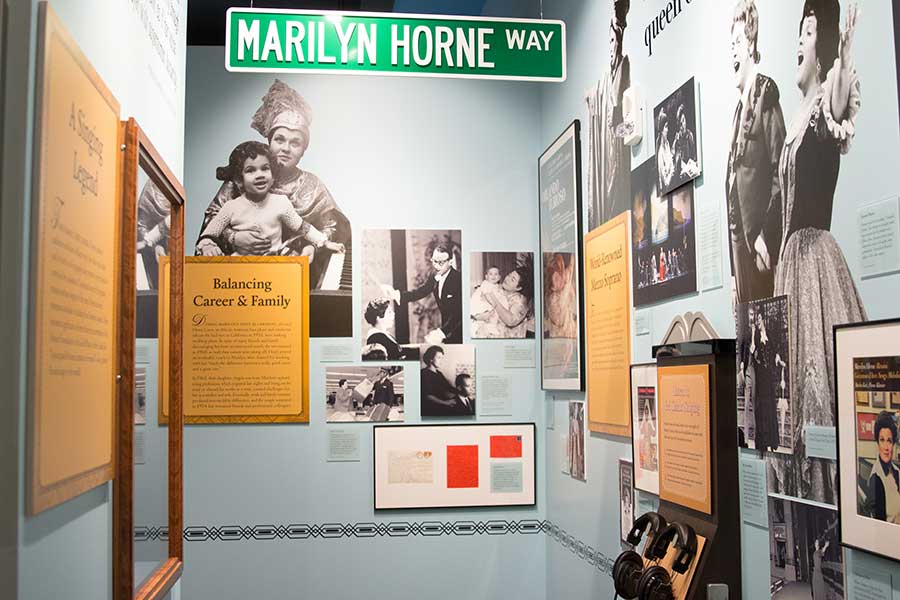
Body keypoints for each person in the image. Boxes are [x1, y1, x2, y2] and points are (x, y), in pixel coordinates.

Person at [769, 0, 864, 504]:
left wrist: (845, 54)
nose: (798, 42)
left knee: (818, 384)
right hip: (789, 268)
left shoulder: (826, 103)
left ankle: (833, 507)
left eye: (807, 32)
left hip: (816, 264)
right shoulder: (793, 121)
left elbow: (840, 102)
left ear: (821, 48)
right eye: (799, 32)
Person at [197, 81, 350, 275]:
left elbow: (333, 227)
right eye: (280, 139)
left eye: (295, 143)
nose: (286, 148)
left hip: (294, 273)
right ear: (269, 141)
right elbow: (212, 221)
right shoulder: (239, 181)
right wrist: (234, 237)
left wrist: (313, 247)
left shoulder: (313, 186)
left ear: (304, 150)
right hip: (239, 275)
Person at [727, 0, 786, 305]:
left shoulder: (766, 94)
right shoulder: (738, 112)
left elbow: (782, 170)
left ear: (751, 44)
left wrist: (767, 234)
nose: (732, 52)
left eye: (737, 42)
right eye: (731, 44)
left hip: (759, 248)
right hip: (740, 251)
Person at [196, 142, 345, 257]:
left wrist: (324, 242)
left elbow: (302, 228)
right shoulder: (231, 207)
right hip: (242, 265)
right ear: (239, 180)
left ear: (273, 176)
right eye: (250, 170)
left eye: (265, 168)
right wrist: (207, 245)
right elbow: (209, 233)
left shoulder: (281, 202)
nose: (260, 174)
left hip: (275, 262)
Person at [586, 0, 631, 228]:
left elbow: (618, 120)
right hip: (608, 161)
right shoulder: (604, 83)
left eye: (614, 41)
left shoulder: (624, 68)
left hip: (618, 159)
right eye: (609, 41)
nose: (611, 48)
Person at [382, 244, 462, 344]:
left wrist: (442, 332)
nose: (436, 266)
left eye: (441, 262)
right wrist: (396, 294)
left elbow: (459, 313)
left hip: (460, 331)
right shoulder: (434, 275)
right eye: (434, 261)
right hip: (448, 332)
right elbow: (421, 292)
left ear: (450, 262)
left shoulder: (459, 280)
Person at [477, 266, 533, 339]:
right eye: (509, 275)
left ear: (518, 288)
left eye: (512, 279)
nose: (507, 279)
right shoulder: (497, 288)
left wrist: (494, 301)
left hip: (509, 345)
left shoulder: (521, 302)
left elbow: (510, 321)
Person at [866, 411, 900, 522]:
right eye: (882, 440)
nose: (886, 447)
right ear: (877, 443)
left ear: (893, 444)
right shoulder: (876, 478)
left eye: (889, 441)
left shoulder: (896, 471)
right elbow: (879, 527)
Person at [420, 346, 460, 416]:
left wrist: (461, 391)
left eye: (442, 358)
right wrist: (446, 403)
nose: (441, 360)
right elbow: (428, 396)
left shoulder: (439, 374)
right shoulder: (423, 373)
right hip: (430, 410)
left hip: (441, 406)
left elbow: (449, 388)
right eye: (439, 358)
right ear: (431, 359)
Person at [470, 266, 503, 338]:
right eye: (490, 274)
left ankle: (488, 330)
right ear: (486, 276)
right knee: (481, 322)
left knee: (491, 323)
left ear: (499, 277)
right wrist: (493, 304)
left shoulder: (498, 287)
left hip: (490, 307)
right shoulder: (486, 284)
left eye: (496, 274)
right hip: (484, 303)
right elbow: (487, 295)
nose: (493, 276)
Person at [673, 104, 698, 179]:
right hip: (681, 174)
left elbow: (694, 156)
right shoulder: (677, 139)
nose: (682, 125)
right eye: (680, 124)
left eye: (683, 121)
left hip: (690, 172)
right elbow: (675, 160)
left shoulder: (690, 135)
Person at [656, 110, 675, 192]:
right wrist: (672, 171)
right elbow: (666, 182)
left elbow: (670, 158)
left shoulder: (667, 143)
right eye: (666, 127)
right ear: (661, 130)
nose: (667, 130)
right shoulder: (660, 152)